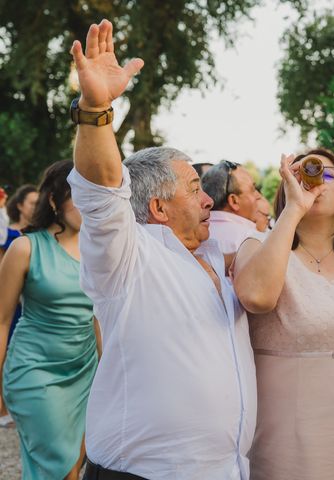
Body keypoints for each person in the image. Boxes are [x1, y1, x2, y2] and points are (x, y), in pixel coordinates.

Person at [69, 19, 255, 479]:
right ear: (158, 207)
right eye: (195, 189)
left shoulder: (213, 255)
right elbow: (101, 191)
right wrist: (96, 109)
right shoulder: (127, 258)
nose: (210, 198)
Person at [233, 149, 334, 479]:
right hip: (287, 437)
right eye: (301, 175)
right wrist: (294, 210)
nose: (315, 182)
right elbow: (257, 297)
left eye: (326, 175)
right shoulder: (257, 245)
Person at [0, 160, 99, 480]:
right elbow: (1, 321)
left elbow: (100, 320)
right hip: (34, 370)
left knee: (73, 465)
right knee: (59, 464)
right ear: (54, 201)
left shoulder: (101, 252)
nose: (87, 203)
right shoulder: (24, 248)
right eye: (77, 195)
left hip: (85, 372)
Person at [201, 160, 262, 256]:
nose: (258, 196)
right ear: (234, 201)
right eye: (253, 189)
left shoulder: (195, 236)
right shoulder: (252, 239)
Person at [0, 184, 37, 262]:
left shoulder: (43, 232)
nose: (36, 207)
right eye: (32, 203)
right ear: (20, 206)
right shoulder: (4, 233)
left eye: (38, 204)